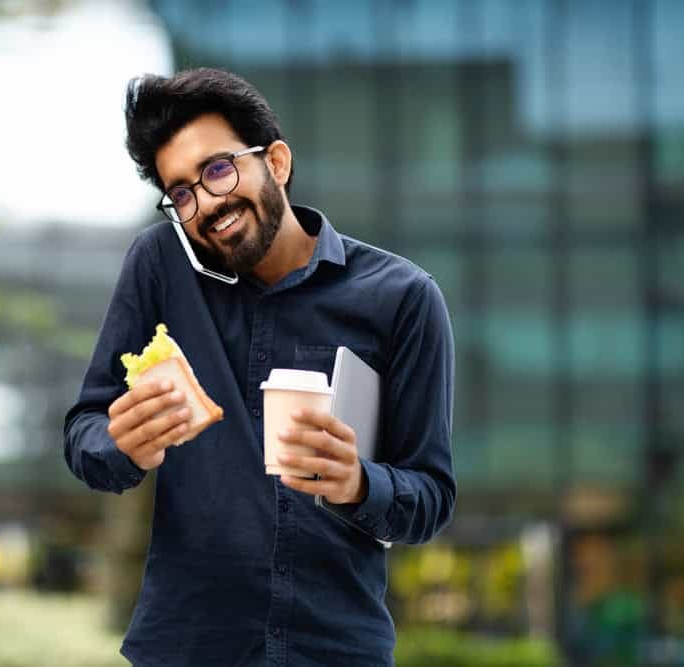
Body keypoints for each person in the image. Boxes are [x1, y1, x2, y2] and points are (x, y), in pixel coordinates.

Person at [64, 67, 455, 666]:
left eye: (218, 169)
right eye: (182, 193)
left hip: (334, 650)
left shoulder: (402, 297)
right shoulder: (161, 265)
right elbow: (86, 430)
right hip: (187, 649)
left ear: (275, 162)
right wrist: (120, 444)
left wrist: (358, 482)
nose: (207, 204)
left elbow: (430, 497)